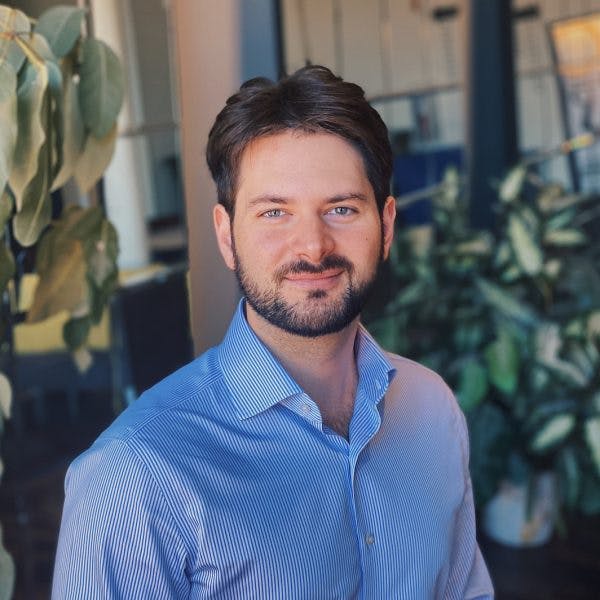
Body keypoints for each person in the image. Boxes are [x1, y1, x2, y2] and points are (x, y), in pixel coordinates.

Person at [52, 65, 494, 599]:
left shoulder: (432, 408)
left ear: (387, 226)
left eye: (341, 208)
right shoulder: (132, 476)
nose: (312, 245)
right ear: (227, 235)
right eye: (275, 213)